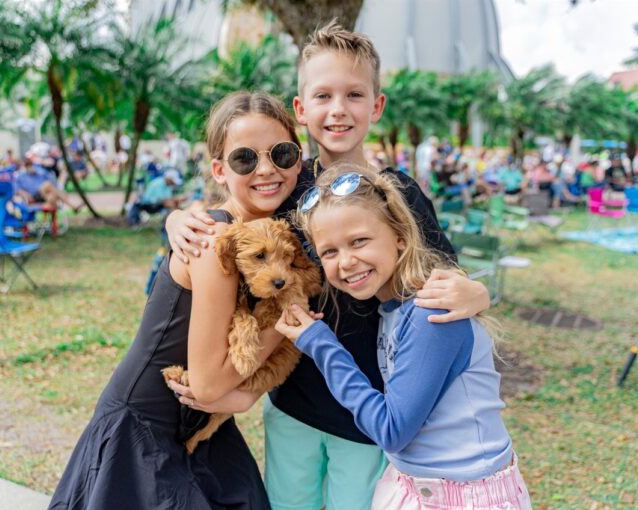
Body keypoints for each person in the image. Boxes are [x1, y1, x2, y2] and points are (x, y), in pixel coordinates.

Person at [166, 21, 490, 510]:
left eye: (354, 95)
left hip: (366, 415)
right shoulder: (285, 187)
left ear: (376, 106)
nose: (338, 110)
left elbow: (443, 274)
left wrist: (479, 292)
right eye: (323, 96)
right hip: (293, 404)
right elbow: (227, 220)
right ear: (302, 109)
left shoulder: (398, 193)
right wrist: (174, 220)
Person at [50, 91, 308, 509]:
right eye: (245, 159)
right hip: (144, 431)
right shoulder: (212, 239)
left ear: (298, 158)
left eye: (281, 154)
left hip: (199, 428)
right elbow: (208, 386)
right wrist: (292, 316)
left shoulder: (275, 227)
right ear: (219, 170)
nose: (267, 169)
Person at [276, 164, 531, 509]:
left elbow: (391, 430)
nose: (347, 261)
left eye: (359, 241)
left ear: (400, 234)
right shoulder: (392, 310)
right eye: (330, 252)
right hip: (414, 486)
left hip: (466, 495)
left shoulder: (430, 312)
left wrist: (318, 342)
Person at [13, 157, 81, 211]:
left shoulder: (39, 171)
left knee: (51, 197)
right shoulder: (20, 176)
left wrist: (38, 172)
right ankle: (72, 205)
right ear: (24, 166)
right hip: (34, 196)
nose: (29, 166)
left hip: (45, 194)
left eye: (30, 164)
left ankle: (53, 225)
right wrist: (23, 193)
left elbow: (51, 179)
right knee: (48, 185)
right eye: (27, 165)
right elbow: (16, 189)